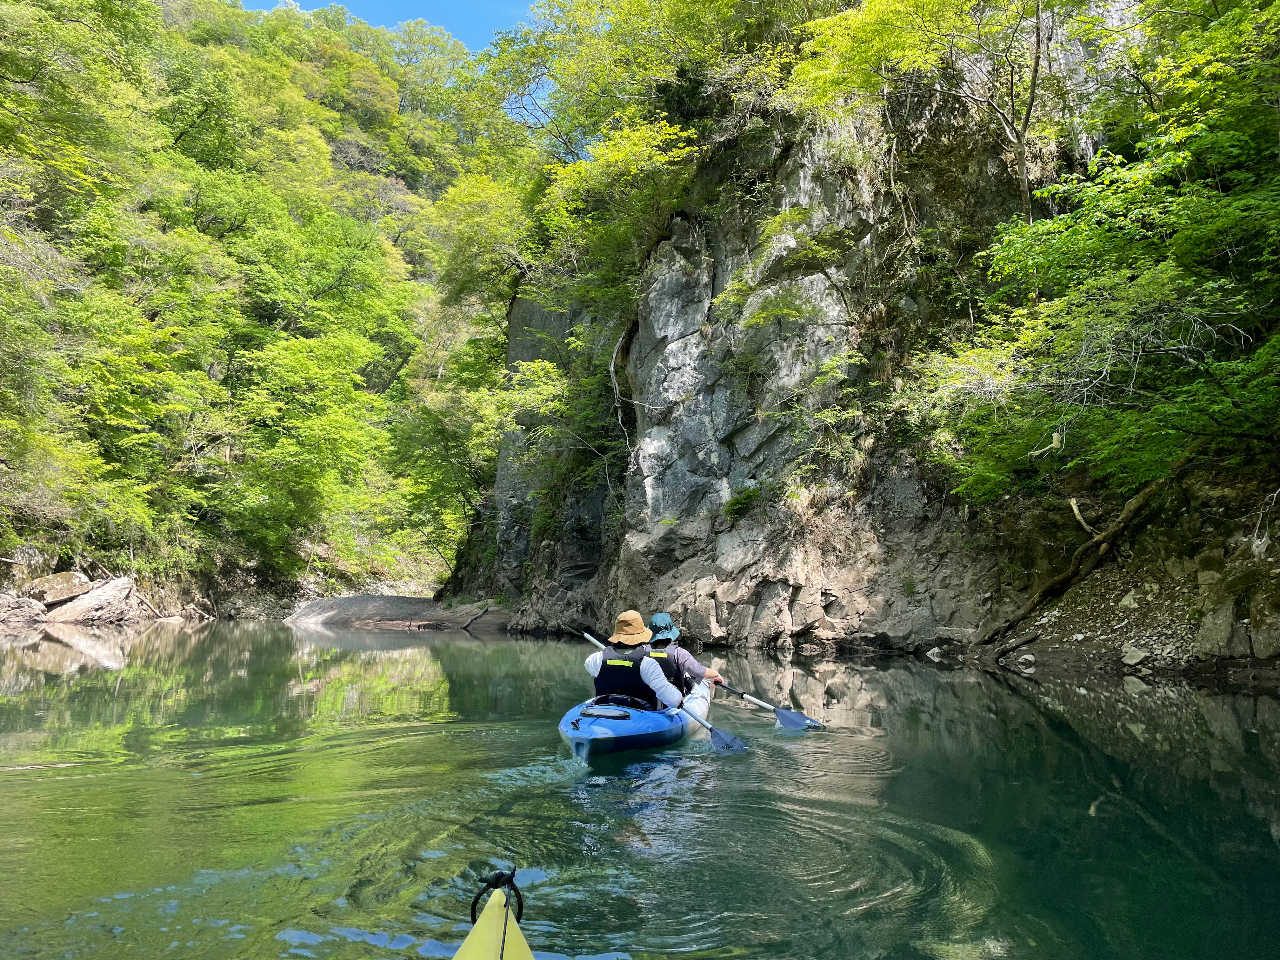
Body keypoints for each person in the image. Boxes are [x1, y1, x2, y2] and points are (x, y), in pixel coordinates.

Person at [584, 610, 683, 710]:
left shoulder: (594, 659)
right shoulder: (648, 664)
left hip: (604, 713)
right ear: (641, 638)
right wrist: (680, 698)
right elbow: (674, 701)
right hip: (641, 718)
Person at [647, 612, 723, 693]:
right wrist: (715, 674)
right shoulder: (679, 653)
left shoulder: (643, 651)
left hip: (648, 698)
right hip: (672, 698)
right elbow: (699, 671)